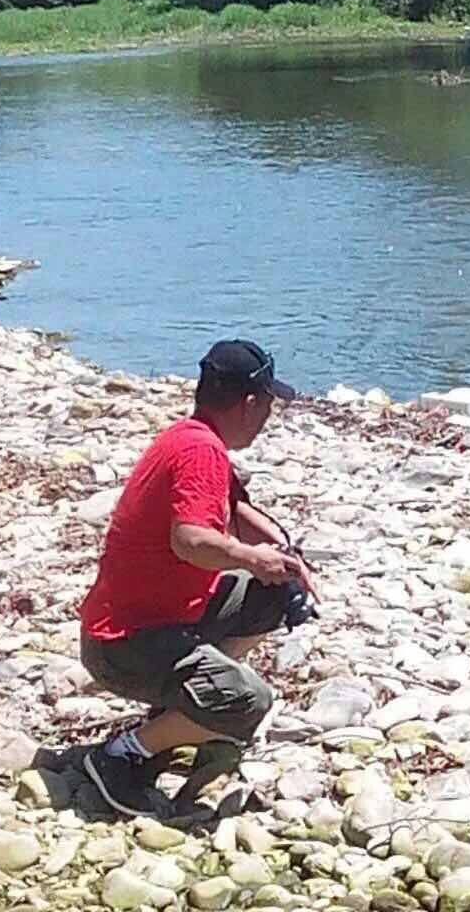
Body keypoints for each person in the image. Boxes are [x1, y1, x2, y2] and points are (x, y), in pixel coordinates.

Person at [78, 340, 319, 816]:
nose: (270, 415)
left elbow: (237, 510)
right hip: (124, 645)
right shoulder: (199, 452)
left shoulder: (193, 436)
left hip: (152, 622)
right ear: (250, 404)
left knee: (272, 592)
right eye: (269, 404)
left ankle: (180, 716)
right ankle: (123, 756)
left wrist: (283, 555)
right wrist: (252, 558)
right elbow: (189, 539)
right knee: (249, 701)